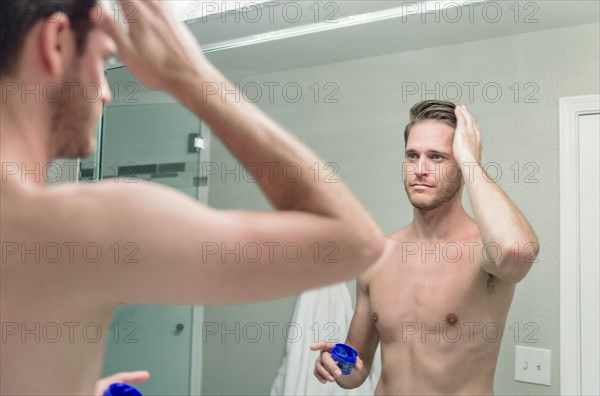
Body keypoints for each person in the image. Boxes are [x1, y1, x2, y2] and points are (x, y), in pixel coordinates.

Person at [0, 0, 386, 394]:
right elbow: (354, 241)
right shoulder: (79, 223)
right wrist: (189, 75)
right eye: (101, 61)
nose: (105, 93)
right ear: (57, 42)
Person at [311, 100, 540, 395]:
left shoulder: (485, 254)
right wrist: (336, 365)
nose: (420, 169)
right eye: (412, 155)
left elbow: (517, 251)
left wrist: (470, 159)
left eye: (437, 157)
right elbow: (358, 370)